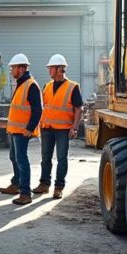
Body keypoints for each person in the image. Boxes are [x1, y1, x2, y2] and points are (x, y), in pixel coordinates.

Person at [33, 54, 83, 199]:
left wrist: (74, 128)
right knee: (45, 158)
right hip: (47, 128)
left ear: (60, 69)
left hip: (63, 130)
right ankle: (44, 184)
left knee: (62, 158)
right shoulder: (47, 86)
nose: (49, 70)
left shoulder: (73, 87)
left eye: (52, 68)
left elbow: (79, 108)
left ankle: (58, 187)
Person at [0, 53, 42, 205]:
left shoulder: (31, 85)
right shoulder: (21, 84)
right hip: (15, 130)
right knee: (14, 157)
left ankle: (25, 192)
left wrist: (30, 128)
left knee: (21, 160)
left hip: (23, 131)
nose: (11, 71)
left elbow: (38, 110)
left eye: (13, 68)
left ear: (21, 68)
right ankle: (16, 184)